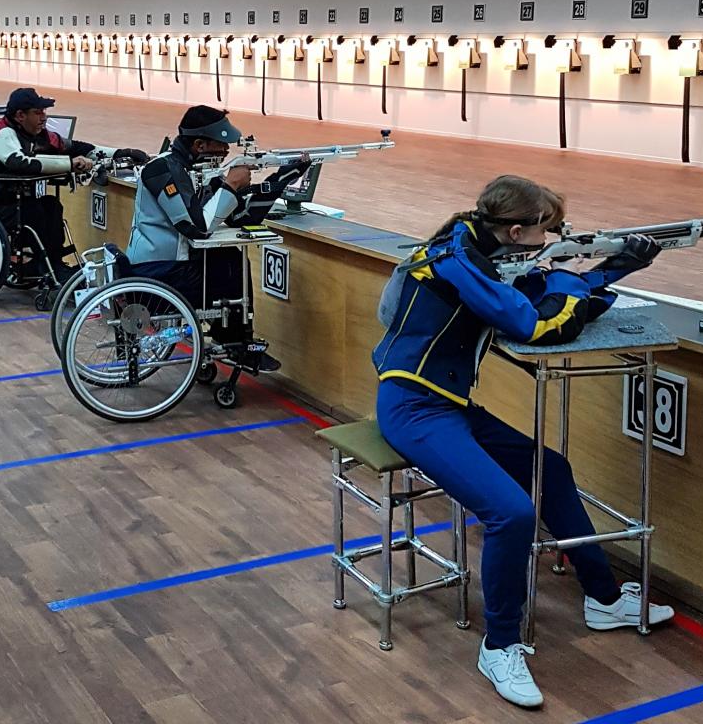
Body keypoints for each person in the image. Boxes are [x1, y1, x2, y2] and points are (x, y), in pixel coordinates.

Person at [373, 174, 674, 709]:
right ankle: (501, 644)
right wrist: (572, 278)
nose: (553, 239)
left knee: (550, 469)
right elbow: (536, 325)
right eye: (549, 231)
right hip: (413, 408)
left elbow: (543, 298)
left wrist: (614, 267)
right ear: (514, 231)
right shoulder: (456, 260)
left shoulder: (477, 250)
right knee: (511, 513)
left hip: (450, 405)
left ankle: (603, 600)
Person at [125, 105, 308, 371]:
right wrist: (231, 185)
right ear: (199, 144)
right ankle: (237, 344)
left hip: (170, 264)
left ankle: (234, 342)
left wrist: (283, 177)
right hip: (156, 271)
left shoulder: (189, 170)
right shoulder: (161, 169)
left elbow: (240, 218)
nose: (225, 152)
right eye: (221, 145)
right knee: (230, 269)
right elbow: (195, 227)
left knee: (229, 259)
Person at [0, 88, 95, 282]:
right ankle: (49, 265)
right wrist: (69, 164)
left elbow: (77, 147)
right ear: (20, 115)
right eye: (38, 112)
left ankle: (52, 262)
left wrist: (120, 152)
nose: (44, 117)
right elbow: (19, 162)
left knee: (51, 205)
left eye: (44, 112)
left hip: (18, 201)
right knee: (35, 211)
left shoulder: (40, 135)